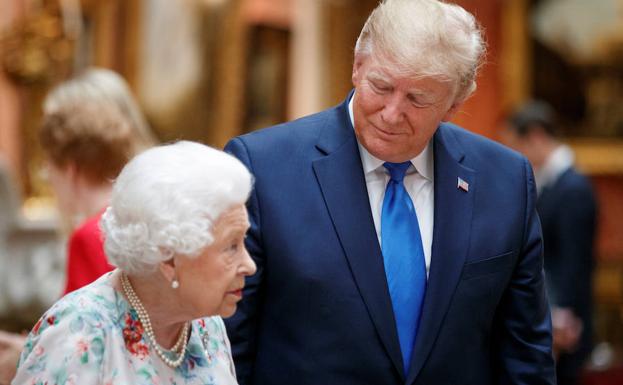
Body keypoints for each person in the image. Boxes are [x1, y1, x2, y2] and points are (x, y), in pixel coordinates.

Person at [223, 0, 556, 384]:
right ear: (357, 66)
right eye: (381, 86)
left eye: (418, 99)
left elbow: (526, 356)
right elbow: (228, 346)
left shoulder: (505, 181)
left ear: (455, 103)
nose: (392, 113)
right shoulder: (263, 168)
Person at [12, 141, 256, 384]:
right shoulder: (80, 331)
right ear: (169, 257)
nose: (249, 265)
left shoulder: (205, 324)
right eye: (231, 246)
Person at [0, 68, 155, 385]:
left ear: (68, 169)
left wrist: (28, 354)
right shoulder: (142, 216)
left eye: (48, 168)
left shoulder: (91, 235)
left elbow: (85, 346)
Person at [504, 100, 597, 385]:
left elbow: (574, 261)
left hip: (565, 321)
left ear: (535, 136)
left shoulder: (573, 187)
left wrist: (563, 315)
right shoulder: (552, 183)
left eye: (515, 145)